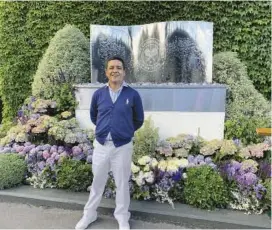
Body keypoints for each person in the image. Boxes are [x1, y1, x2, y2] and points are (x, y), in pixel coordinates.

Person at [75, 56, 144, 230]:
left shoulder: (132, 94)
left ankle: (122, 217)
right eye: (111, 67)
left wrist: (124, 132)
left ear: (124, 72)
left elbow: (138, 120)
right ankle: (89, 214)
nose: (115, 70)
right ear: (106, 72)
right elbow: (94, 116)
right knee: (97, 181)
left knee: (122, 183)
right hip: (101, 145)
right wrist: (104, 130)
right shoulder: (99, 94)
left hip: (122, 147)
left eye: (118, 67)